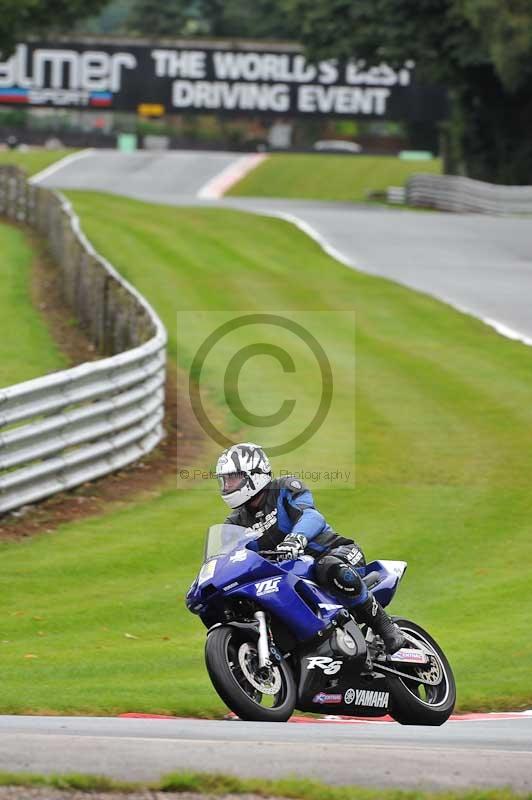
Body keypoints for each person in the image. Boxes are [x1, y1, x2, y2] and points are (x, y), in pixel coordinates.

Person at [216, 442, 405, 653]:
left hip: (335, 552)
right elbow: (230, 557)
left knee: (327, 567)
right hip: (290, 573)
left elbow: (311, 515)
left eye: (233, 478)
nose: (227, 485)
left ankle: (386, 627)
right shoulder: (234, 523)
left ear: (255, 474)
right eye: (224, 480)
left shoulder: (285, 487)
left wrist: (296, 539)